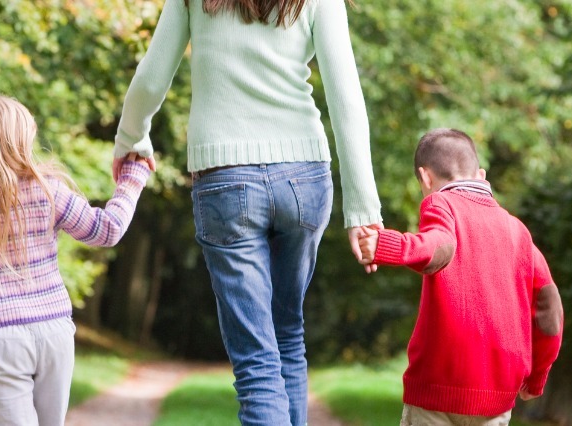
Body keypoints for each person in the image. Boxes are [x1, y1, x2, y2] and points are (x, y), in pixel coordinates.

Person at [112, 0, 383, 424]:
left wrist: (131, 139)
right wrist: (362, 208)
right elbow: (346, 96)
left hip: (225, 180)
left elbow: (150, 79)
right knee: (287, 334)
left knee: (258, 360)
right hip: (304, 180)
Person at [0, 93, 152, 426]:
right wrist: (134, 176)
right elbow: (107, 230)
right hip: (55, 330)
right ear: (17, 140)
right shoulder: (47, 189)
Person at [356, 128, 564, 426]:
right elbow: (550, 309)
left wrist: (387, 245)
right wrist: (537, 377)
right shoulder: (518, 231)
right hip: (497, 394)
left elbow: (440, 246)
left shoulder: (442, 204)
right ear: (481, 175)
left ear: (425, 178)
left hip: (436, 389)